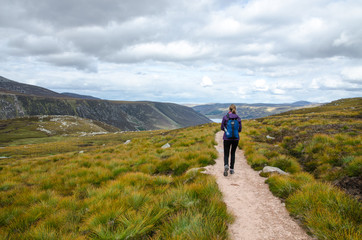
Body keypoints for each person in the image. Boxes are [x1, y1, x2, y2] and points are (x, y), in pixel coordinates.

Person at [221, 104, 242, 176]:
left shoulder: (225, 117)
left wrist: (227, 132)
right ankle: (232, 169)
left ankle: (226, 165)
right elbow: (240, 129)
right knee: (233, 153)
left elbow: (222, 127)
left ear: (229, 109)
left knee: (226, 153)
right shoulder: (238, 118)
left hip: (227, 138)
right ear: (235, 109)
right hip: (236, 139)